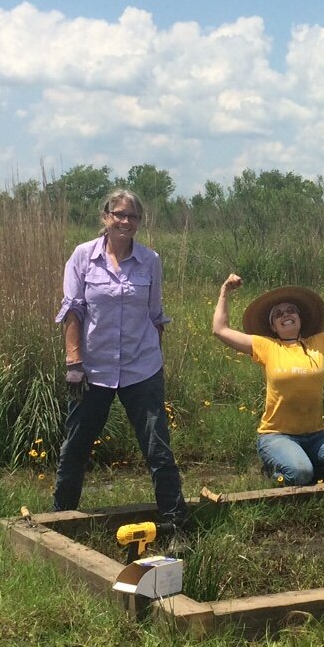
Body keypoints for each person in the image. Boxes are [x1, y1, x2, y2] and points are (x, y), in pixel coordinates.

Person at [54, 188, 188, 525]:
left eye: (132, 216)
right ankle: (61, 520)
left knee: (157, 447)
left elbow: (155, 315)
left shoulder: (150, 261)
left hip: (140, 369)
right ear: (106, 217)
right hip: (93, 370)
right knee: (76, 446)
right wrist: (74, 362)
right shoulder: (83, 256)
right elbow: (73, 311)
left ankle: (175, 521)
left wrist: (153, 361)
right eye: (119, 214)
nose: (125, 221)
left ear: (139, 223)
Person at [211, 270, 324, 486]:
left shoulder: (320, 343)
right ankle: (279, 470)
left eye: (291, 311)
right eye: (279, 314)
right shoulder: (266, 346)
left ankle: (310, 467)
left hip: (316, 436)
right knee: (300, 474)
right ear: (273, 326)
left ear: (300, 319)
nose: (286, 315)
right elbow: (219, 329)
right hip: (276, 436)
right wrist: (224, 292)